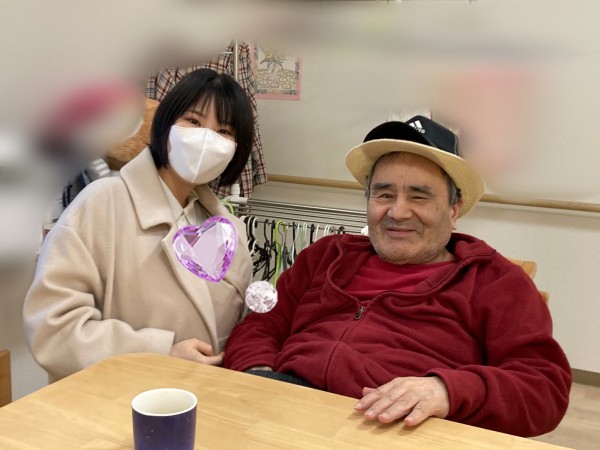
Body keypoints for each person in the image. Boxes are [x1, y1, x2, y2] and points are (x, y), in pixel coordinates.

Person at [223, 116, 572, 437]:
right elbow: (262, 324)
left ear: (454, 210)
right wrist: (257, 374)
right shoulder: (325, 257)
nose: (398, 211)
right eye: (384, 194)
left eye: (419, 196)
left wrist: (447, 390)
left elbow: (543, 388)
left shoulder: (494, 282)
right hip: (285, 407)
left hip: (399, 431)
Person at [24, 68, 254, 381]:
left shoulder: (229, 229)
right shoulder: (102, 204)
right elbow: (54, 329)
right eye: (193, 121)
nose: (206, 139)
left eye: (224, 131)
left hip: (206, 397)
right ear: (165, 124)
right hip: (117, 398)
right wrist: (160, 353)